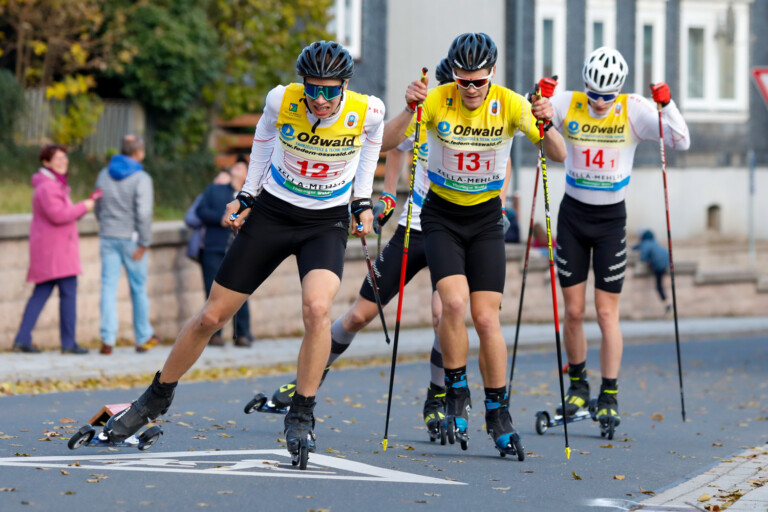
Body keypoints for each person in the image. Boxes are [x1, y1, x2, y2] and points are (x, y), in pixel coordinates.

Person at [102, 41, 383, 465]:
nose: (321, 99)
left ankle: (302, 411)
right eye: (313, 89)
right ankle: (155, 397)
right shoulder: (280, 99)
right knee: (212, 317)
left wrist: (362, 200)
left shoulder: (369, 111)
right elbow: (264, 142)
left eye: (330, 90)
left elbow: (371, 150)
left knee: (317, 310)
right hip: (273, 213)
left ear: (345, 85)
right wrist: (247, 194)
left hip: (324, 223)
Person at [265, 58, 461, 442]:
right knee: (358, 315)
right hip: (413, 228)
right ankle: (306, 381)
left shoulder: (479, 123)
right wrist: (387, 194)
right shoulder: (427, 114)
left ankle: (438, 396)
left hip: (454, 232)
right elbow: (394, 146)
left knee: (445, 313)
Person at [401, 33, 567, 456]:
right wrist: (409, 108)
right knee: (453, 305)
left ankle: (498, 412)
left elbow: (559, 153)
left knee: (486, 318)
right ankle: (456, 393)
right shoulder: (439, 98)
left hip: (486, 220)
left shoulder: (511, 103)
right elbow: (388, 144)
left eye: (479, 81)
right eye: (463, 81)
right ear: (453, 75)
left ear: (491, 74)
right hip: (441, 215)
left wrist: (546, 121)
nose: (471, 90)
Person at [548, 47, 689, 433]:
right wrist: (539, 102)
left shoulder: (634, 108)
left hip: (611, 221)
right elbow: (531, 128)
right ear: (584, 84)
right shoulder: (568, 102)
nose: (598, 102)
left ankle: (609, 393)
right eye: (593, 92)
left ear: (620, 91)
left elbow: (680, 140)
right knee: (574, 312)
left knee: (607, 312)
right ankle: (578, 385)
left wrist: (668, 104)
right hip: (572, 216)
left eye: (606, 96)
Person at [13, 144, 99, 354]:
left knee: (41, 293)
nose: (63, 162)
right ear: (46, 162)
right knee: (68, 293)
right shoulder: (48, 187)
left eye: (64, 158)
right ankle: (68, 344)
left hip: (53, 251)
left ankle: (22, 338)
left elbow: (65, 213)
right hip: (56, 252)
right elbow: (59, 215)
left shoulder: (53, 184)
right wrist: (83, 207)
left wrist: (84, 206)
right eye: (57, 159)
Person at [95, 135, 159, 355]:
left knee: (108, 287)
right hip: (132, 241)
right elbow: (144, 212)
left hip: (108, 236)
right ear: (139, 152)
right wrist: (144, 242)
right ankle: (142, 338)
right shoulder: (141, 178)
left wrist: (105, 225)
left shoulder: (104, 174)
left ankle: (107, 339)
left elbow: (98, 205)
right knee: (138, 289)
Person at [195, 157, 253, 347]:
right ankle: (214, 334)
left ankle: (242, 333)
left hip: (241, 251)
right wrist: (220, 218)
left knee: (240, 293)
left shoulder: (252, 197)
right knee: (212, 293)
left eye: (240, 167)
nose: (235, 169)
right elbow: (200, 211)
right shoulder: (216, 189)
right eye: (234, 166)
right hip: (214, 248)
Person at [632, 228, 671, 313]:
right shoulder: (654, 243)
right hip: (665, 264)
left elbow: (643, 257)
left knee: (659, 286)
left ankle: (667, 305)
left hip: (658, 266)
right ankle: (667, 304)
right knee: (660, 284)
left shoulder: (645, 244)